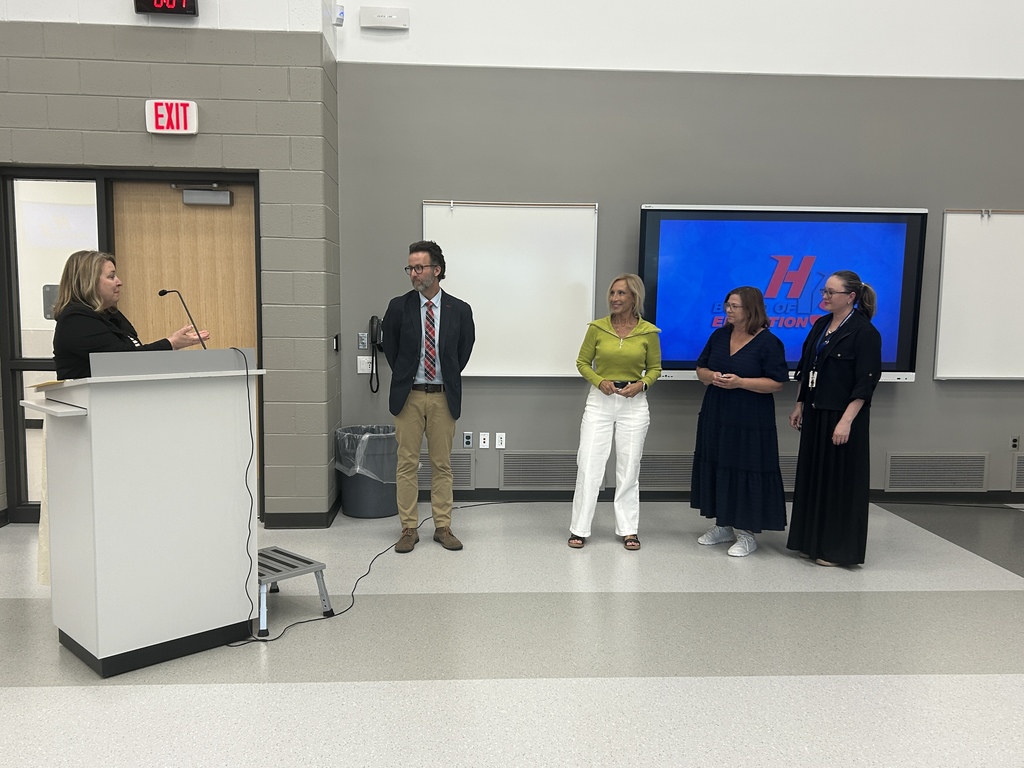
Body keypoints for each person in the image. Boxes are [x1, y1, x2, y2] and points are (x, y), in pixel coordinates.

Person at [382, 240, 475, 554]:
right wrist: (409, 375)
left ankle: (443, 527)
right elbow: (392, 350)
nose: (413, 273)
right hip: (408, 397)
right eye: (410, 267)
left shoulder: (459, 310)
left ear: (437, 270)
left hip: (442, 397)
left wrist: (441, 375)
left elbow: (462, 353)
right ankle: (408, 528)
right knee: (406, 464)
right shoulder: (399, 306)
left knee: (442, 465)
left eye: (419, 267)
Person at [787, 270, 881, 566]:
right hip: (816, 411)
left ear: (851, 297)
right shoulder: (820, 325)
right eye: (824, 292)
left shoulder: (864, 332)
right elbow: (807, 366)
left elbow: (865, 382)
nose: (824, 297)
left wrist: (846, 421)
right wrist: (800, 402)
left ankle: (836, 550)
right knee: (814, 477)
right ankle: (810, 542)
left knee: (838, 483)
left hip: (842, 418)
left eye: (831, 292)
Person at [690, 287, 789, 557]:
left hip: (751, 419)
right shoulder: (720, 335)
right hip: (717, 413)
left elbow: (777, 383)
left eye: (735, 306)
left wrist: (741, 382)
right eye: (727, 305)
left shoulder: (769, 342)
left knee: (746, 467)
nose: (729, 311)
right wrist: (712, 377)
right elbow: (701, 369)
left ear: (751, 310)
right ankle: (723, 524)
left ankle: (747, 533)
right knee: (719, 463)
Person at [568, 273, 661, 551]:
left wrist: (642, 385)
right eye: (612, 293)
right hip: (600, 402)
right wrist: (599, 381)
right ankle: (579, 528)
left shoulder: (649, 332)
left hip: (634, 404)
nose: (615, 299)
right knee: (589, 465)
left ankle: (628, 529)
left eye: (621, 294)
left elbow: (655, 368)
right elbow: (582, 362)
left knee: (629, 468)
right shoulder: (597, 328)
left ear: (634, 298)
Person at [52, 250, 210, 379]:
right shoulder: (76, 319)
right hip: (90, 407)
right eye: (111, 276)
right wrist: (171, 343)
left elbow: (133, 353)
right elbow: (123, 360)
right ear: (89, 282)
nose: (119, 282)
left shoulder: (111, 314)